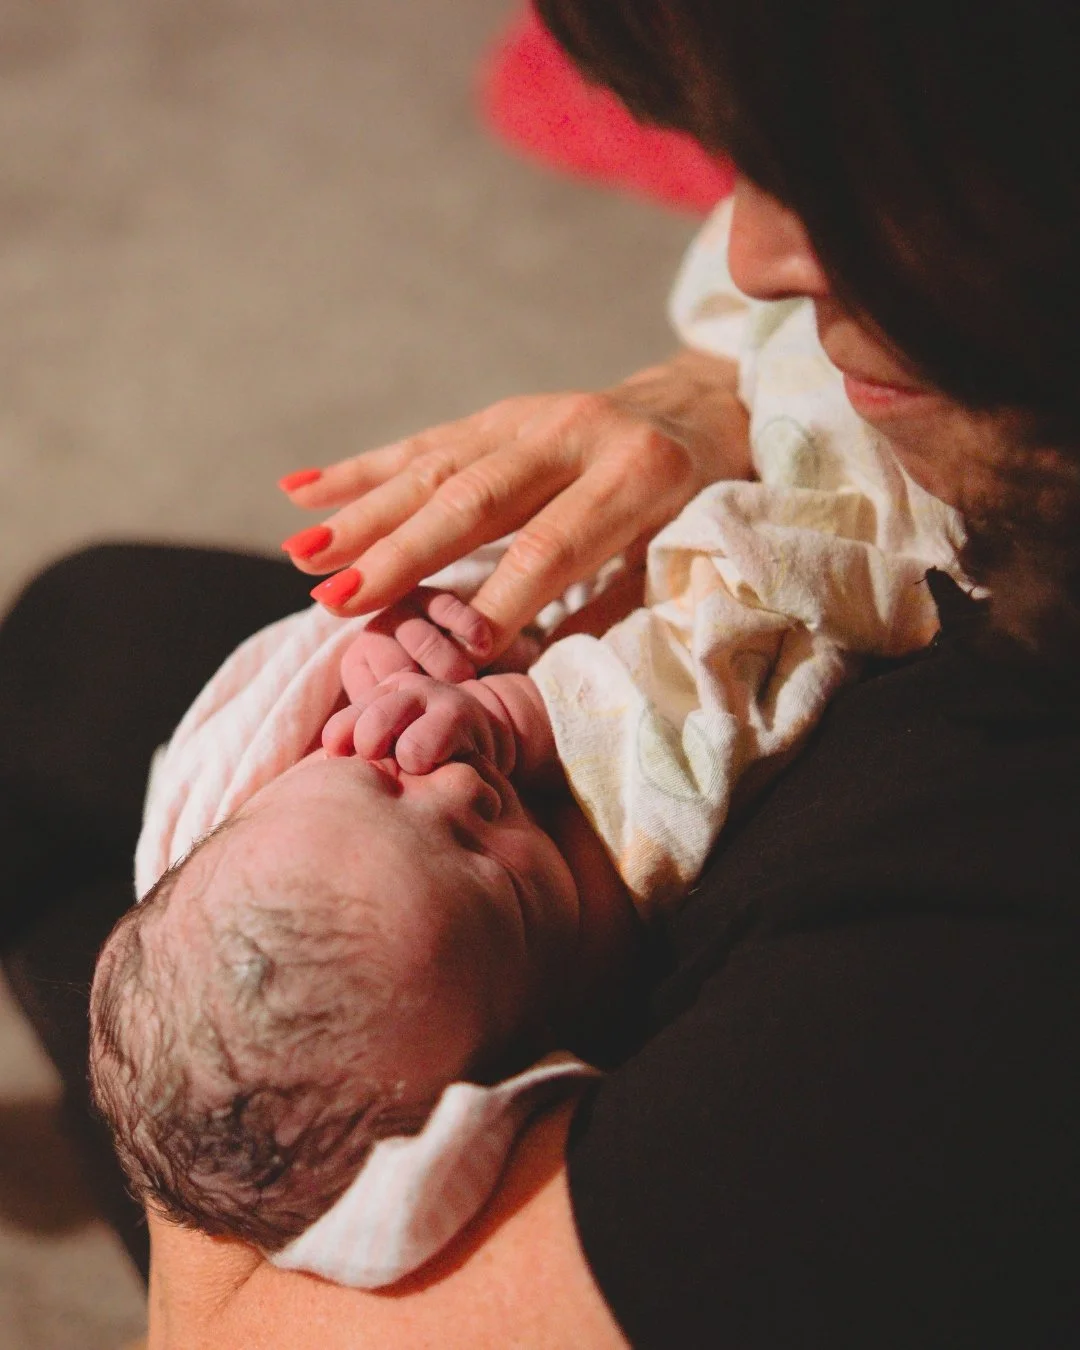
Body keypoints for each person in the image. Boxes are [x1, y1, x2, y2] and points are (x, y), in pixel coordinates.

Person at [3, 0, 1079, 1343]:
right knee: (78, 636)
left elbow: (222, 1332)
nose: (745, 257)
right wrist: (729, 397)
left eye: (847, 172)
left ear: (535, 1102)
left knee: (85, 844)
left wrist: (240, 980)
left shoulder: (954, 967)